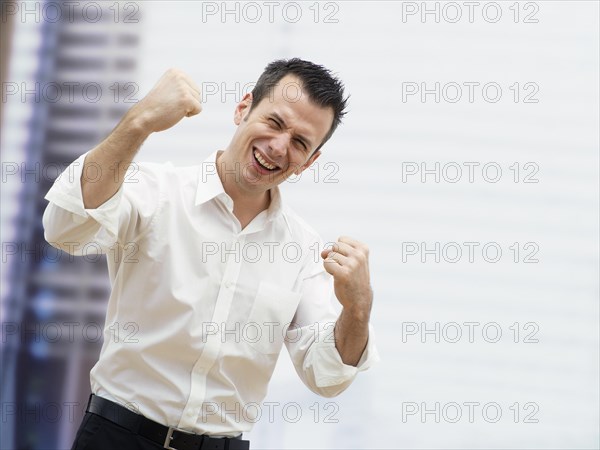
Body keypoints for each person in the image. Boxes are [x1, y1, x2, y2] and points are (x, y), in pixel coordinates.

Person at [43, 58, 379, 450]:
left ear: (311, 161)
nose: (279, 146)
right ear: (243, 108)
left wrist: (358, 307)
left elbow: (328, 376)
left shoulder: (303, 249)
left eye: (301, 142)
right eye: (274, 122)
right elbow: (64, 229)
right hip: (117, 437)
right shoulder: (157, 191)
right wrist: (140, 121)